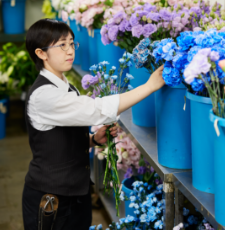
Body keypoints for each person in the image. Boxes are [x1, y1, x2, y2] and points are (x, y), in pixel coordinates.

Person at [22, 18, 164, 230]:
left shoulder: (64, 85)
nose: (70, 51)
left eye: (72, 43)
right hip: (52, 200)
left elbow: (59, 136)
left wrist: (92, 140)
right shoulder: (44, 95)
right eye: (61, 45)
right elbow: (96, 109)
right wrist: (149, 86)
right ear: (41, 53)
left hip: (76, 194)